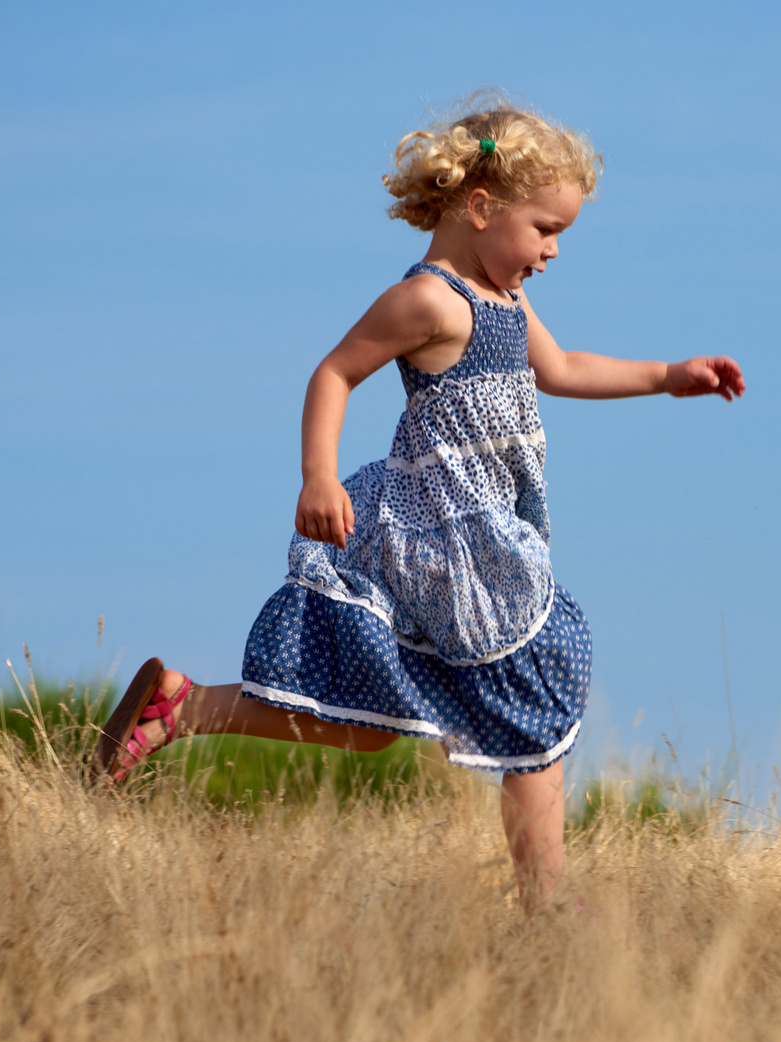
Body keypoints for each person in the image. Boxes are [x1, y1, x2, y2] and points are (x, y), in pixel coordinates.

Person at [90, 97, 745, 909]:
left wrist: (668, 375)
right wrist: (317, 478)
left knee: (366, 725)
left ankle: (181, 708)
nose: (550, 252)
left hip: (491, 539)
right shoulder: (432, 301)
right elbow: (333, 373)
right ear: (480, 208)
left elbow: (564, 366)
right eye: (545, 229)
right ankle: (547, 903)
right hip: (438, 539)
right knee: (535, 687)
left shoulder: (508, 303)